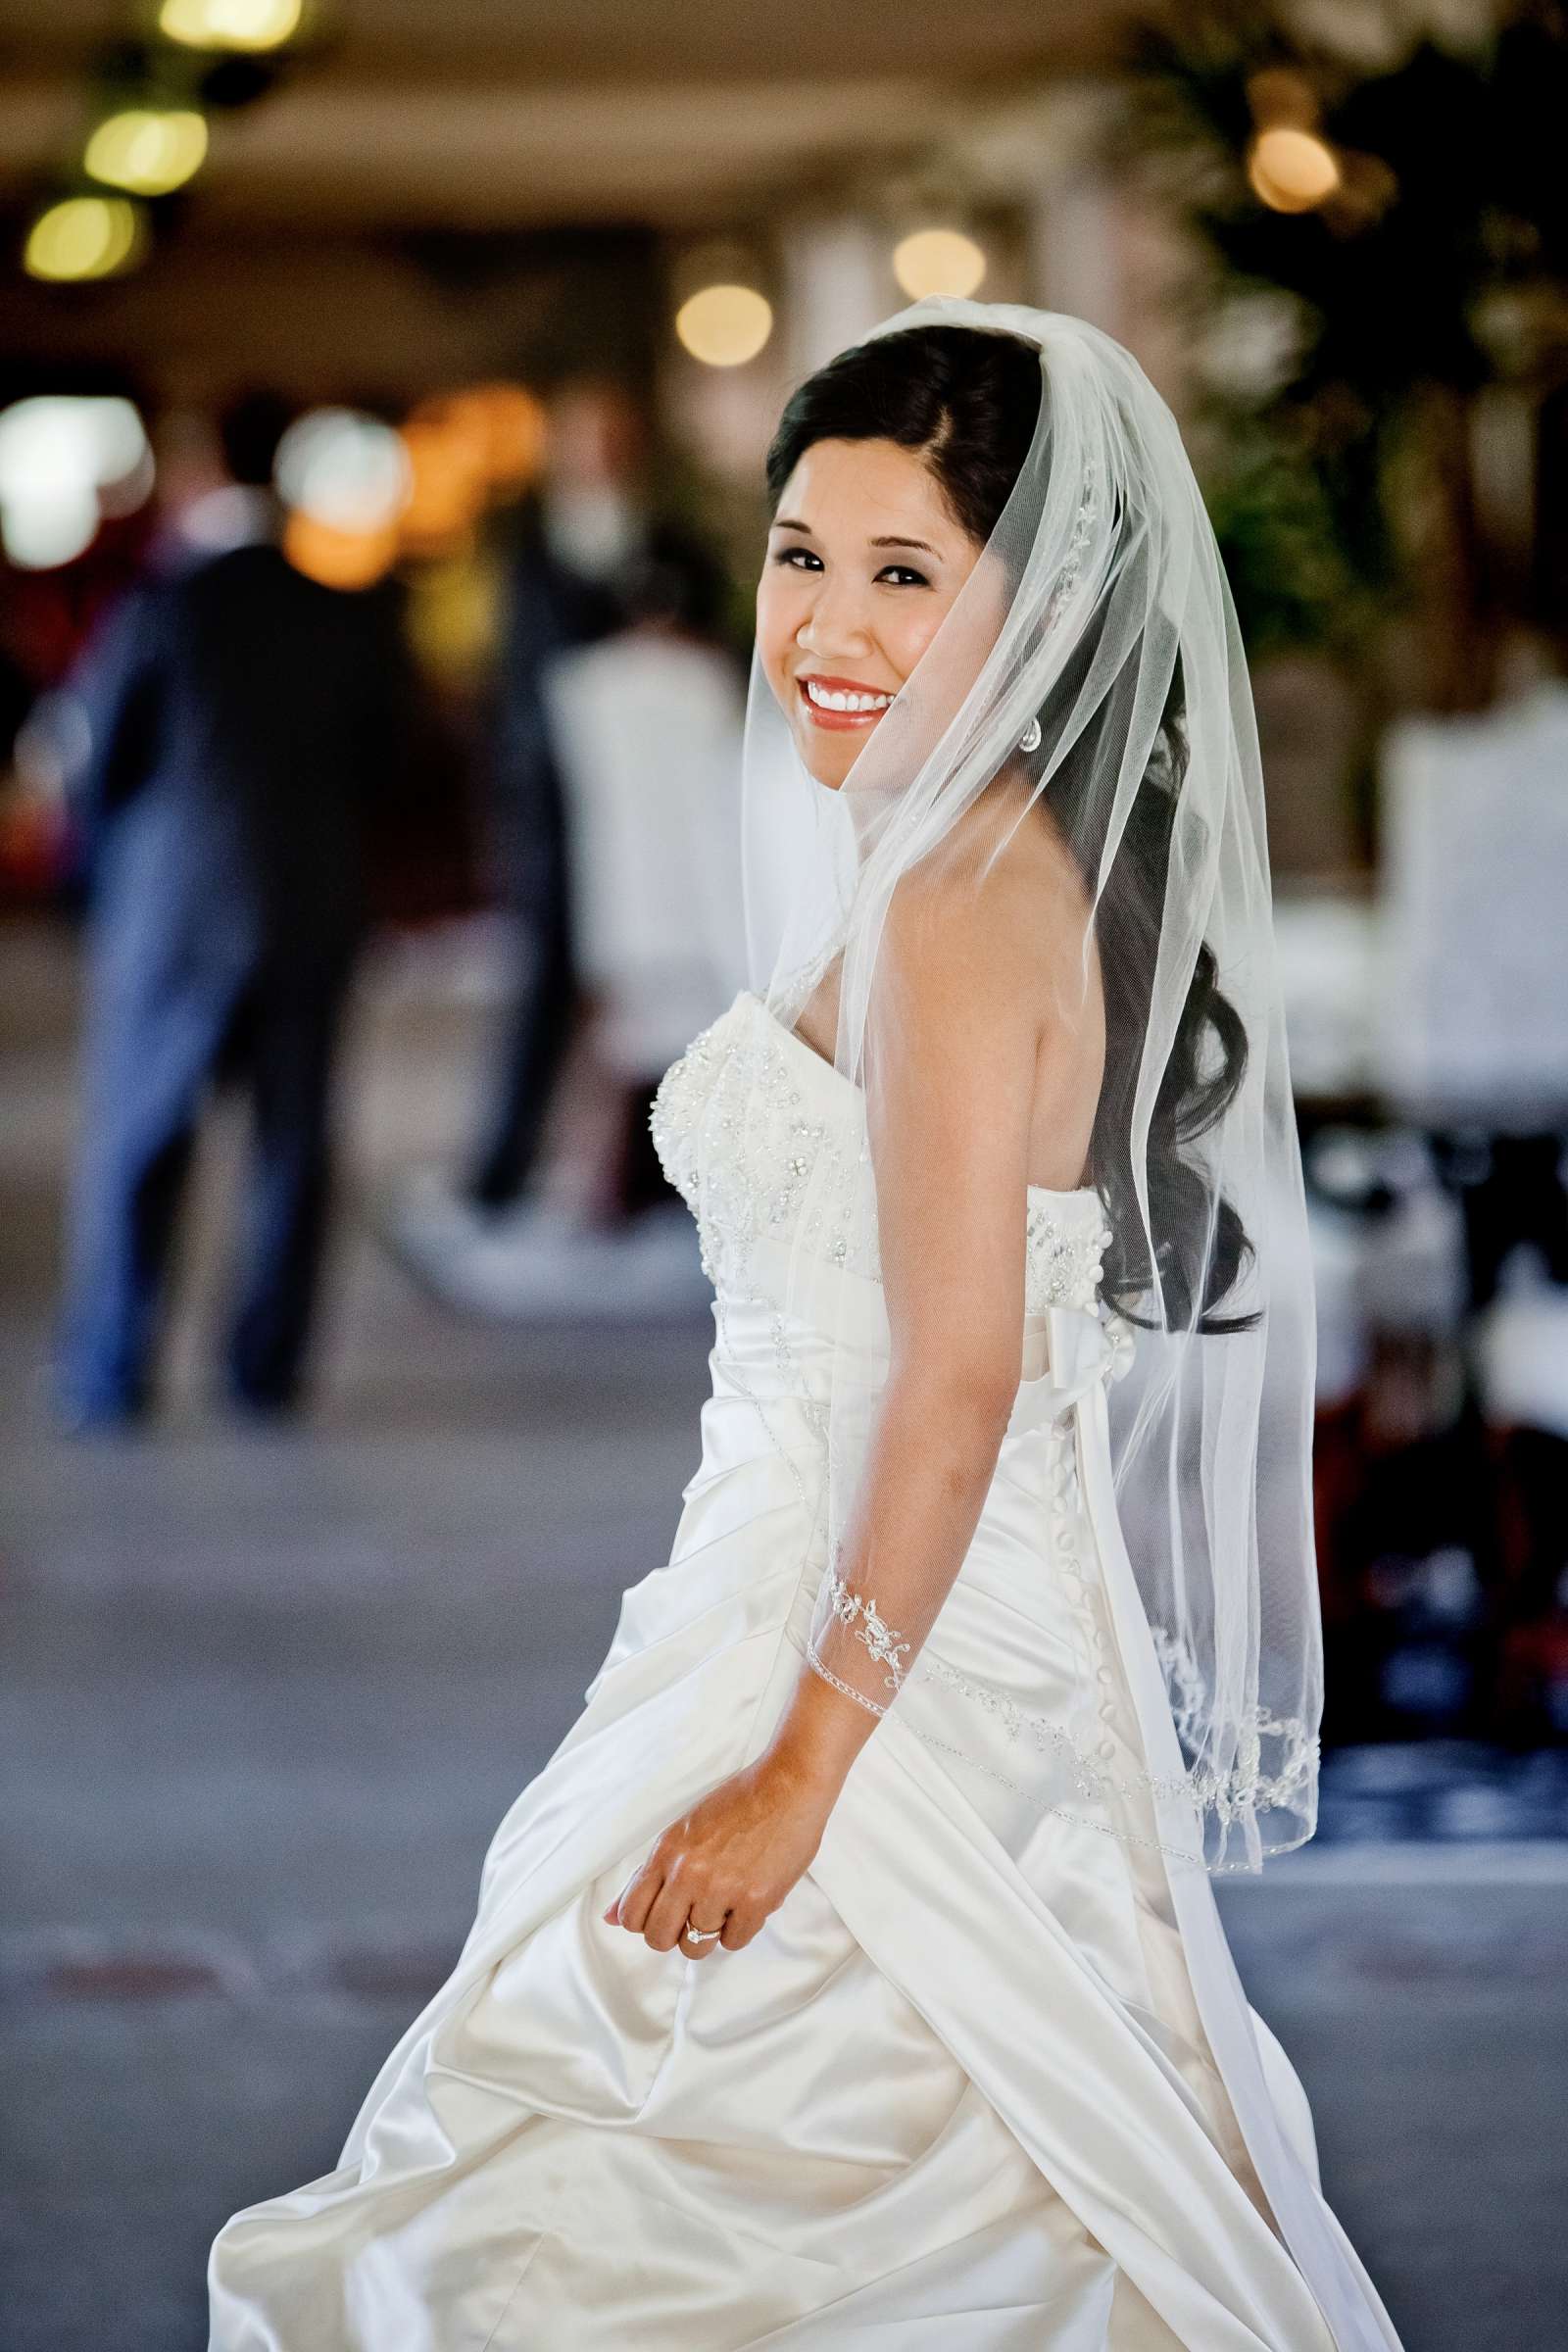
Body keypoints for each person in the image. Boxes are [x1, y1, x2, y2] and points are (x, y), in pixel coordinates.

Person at [208, 299, 1405, 2349]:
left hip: (884, 1662)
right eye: (797, 554)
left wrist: (797, 1770)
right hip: (806, 1586)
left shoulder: (953, 903)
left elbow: (953, 1381)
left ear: (1042, 611)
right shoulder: (933, 858)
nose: (823, 628)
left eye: (903, 574)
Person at [54, 395, 426, 1429]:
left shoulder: (163, 607)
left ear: (198, 468)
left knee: (143, 1141)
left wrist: (94, 883)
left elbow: (101, 760)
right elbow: (390, 763)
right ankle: (265, 1372)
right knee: (294, 1147)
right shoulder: (351, 607)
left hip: (174, 907)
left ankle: (115, 1370)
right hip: (310, 901)